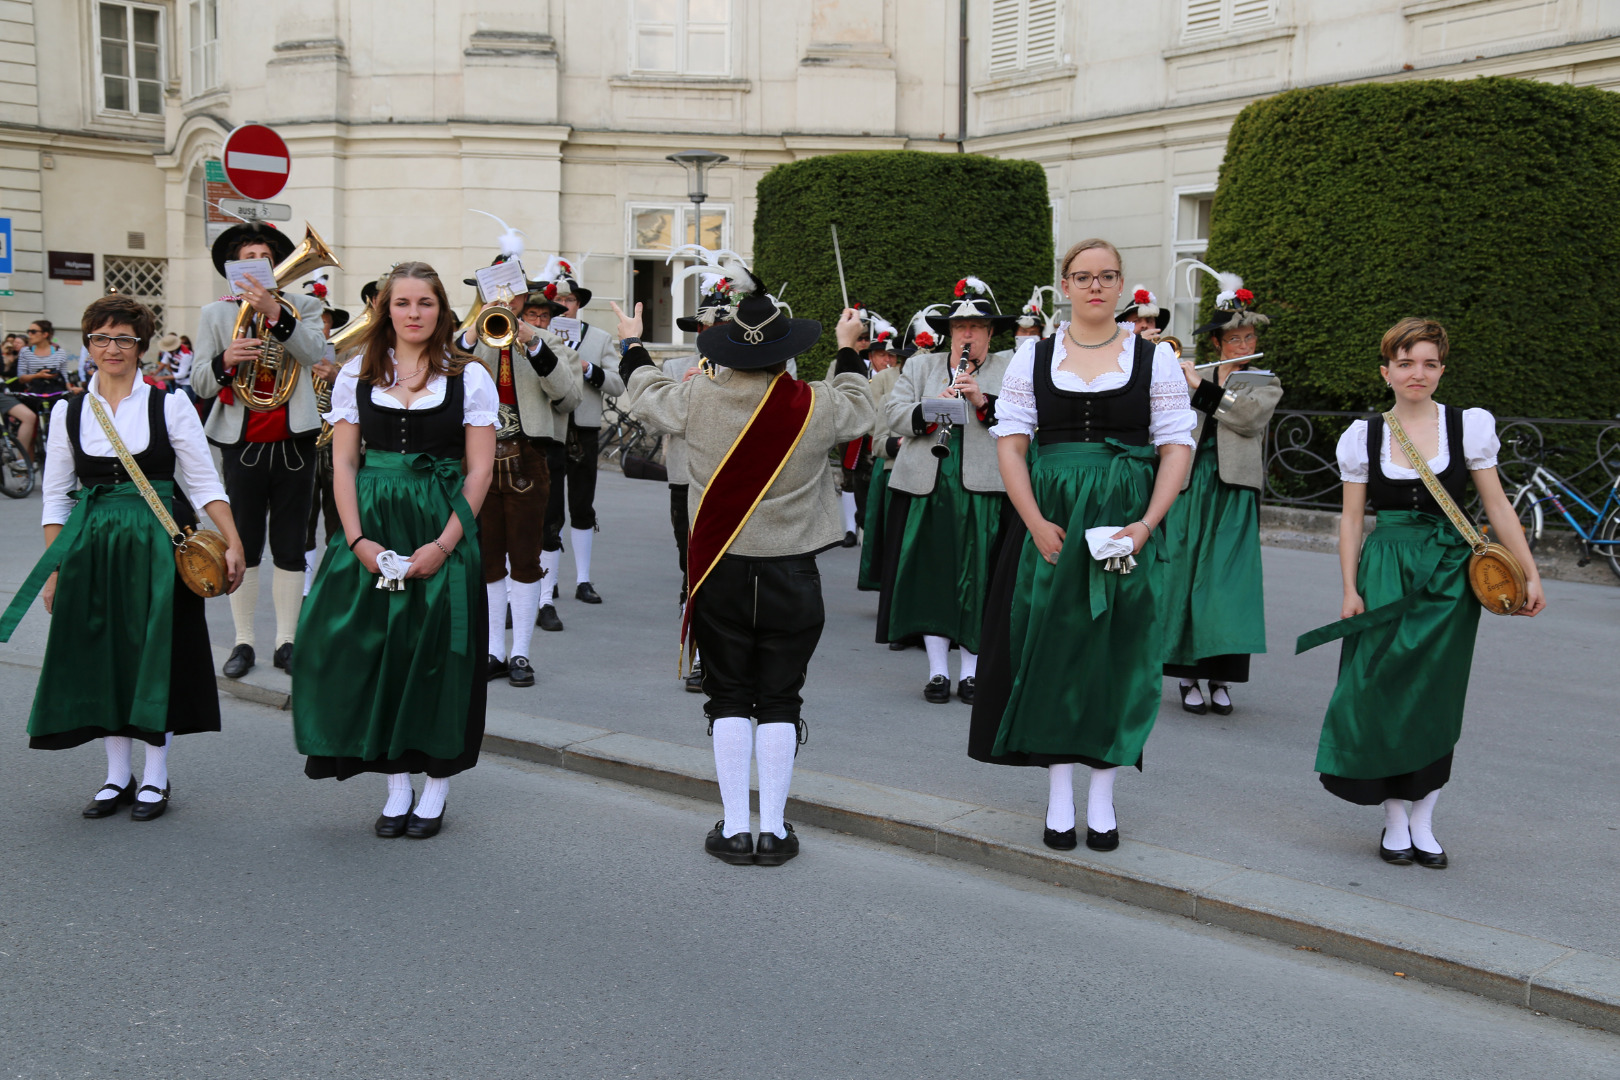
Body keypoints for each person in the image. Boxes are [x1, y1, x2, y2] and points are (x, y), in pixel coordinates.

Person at [616, 293, 875, 866]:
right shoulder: (816, 404)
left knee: (729, 695)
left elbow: (645, 394)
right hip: (792, 573)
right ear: (786, 354)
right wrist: (847, 346)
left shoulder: (697, 397)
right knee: (780, 699)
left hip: (721, 571)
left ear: (729, 350)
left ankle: (735, 828)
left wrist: (633, 343)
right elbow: (861, 403)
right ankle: (775, 831)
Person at [968, 239, 1195, 852]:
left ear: (1120, 285)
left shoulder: (1154, 360)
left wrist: (1146, 524)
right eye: (1083, 276)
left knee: (1115, 655)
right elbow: (1011, 444)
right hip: (1053, 517)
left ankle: (1103, 798)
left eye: (1107, 276)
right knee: (1052, 648)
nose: (1096, 286)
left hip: (1124, 517)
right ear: (1065, 285)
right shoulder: (1031, 357)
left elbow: (1177, 446)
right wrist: (1035, 522)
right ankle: (1059, 796)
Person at [1296, 317, 1544, 869]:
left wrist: (1529, 573)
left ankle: (1424, 819)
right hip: (1384, 569)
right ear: (1386, 371)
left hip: (1451, 575)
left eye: (1429, 363)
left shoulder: (1468, 428)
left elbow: (1499, 508)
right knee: (1378, 688)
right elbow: (1352, 520)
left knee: (1436, 692)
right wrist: (1348, 589)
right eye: (1406, 363)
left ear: (1441, 370)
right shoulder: (1364, 436)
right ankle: (1393, 821)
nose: (1418, 373)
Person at [0, 294, 246, 820]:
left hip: (160, 542)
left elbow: (203, 480)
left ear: (141, 345)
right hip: (91, 548)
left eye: (124, 339)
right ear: (88, 343)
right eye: (102, 338)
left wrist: (234, 542)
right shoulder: (68, 410)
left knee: (159, 654)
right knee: (105, 657)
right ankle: (116, 776)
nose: (113, 348)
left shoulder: (169, 402)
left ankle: (156, 774)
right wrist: (55, 569)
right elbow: (57, 495)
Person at [291, 261, 497, 839]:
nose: (413, 314)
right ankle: (394, 783)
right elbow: (343, 463)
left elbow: (479, 472)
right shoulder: (358, 374)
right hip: (372, 521)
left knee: (434, 656)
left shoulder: (469, 377)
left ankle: (435, 785)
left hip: (440, 518)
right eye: (402, 303)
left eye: (424, 303)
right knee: (370, 648)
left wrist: (443, 544)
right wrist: (355, 539)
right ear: (386, 309)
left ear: (441, 309)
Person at [190, 222, 327, 679]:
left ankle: (286, 641)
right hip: (241, 442)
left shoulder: (305, 306)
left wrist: (275, 314)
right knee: (242, 544)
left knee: (291, 544)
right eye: (247, 260)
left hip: (294, 441)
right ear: (233, 269)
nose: (256, 267)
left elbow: (314, 353)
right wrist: (225, 360)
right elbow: (200, 382)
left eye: (264, 260)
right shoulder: (214, 314)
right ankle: (243, 641)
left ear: (278, 266)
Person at [876, 277, 1016, 704]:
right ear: (949, 333)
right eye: (959, 328)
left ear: (991, 332)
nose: (967, 335)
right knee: (932, 579)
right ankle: (938, 671)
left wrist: (982, 401)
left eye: (976, 327)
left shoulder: (1009, 367)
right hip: (927, 484)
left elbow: (1027, 422)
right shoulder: (920, 366)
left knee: (980, 581)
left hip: (984, 486)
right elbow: (893, 414)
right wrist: (930, 407)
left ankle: (971, 673)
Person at [1161, 275, 1282, 715]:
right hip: (1191, 485)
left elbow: (1248, 419)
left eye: (1248, 336)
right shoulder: (1195, 373)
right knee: (1184, 575)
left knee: (1227, 585)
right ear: (1217, 343)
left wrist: (1201, 388)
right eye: (1233, 338)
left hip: (1234, 490)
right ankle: (1187, 676)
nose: (1242, 343)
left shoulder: (1264, 380)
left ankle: (1221, 677)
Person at [458, 269, 581, 688]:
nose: (504, 304)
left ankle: (521, 652)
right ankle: (494, 650)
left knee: (525, 559)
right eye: (495, 296)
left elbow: (568, 396)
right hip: (479, 457)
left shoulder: (548, 342)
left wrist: (532, 342)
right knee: (488, 558)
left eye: (511, 297)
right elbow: (443, 375)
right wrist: (474, 334)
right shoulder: (468, 338)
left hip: (529, 456)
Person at [536, 257, 623, 626]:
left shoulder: (599, 339)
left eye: (570, 301)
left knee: (583, 505)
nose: (564, 306)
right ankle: (548, 581)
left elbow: (619, 384)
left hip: (584, 429)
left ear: (578, 304)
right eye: (560, 301)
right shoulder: (537, 336)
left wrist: (590, 370)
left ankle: (583, 579)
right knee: (549, 507)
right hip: (551, 429)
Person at [300, 276, 351, 595]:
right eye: (314, 321)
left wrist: (337, 376)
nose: (321, 327)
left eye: (325, 321)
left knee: (338, 519)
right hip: (304, 444)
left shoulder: (345, 358)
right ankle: (304, 589)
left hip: (334, 447)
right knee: (302, 520)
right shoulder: (293, 355)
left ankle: (334, 584)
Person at [856, 317, 911, 593]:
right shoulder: (884, 380)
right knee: (889, 533)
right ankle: (889, 587)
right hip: (890, 463)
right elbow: (874, 425)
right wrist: (899, 440)